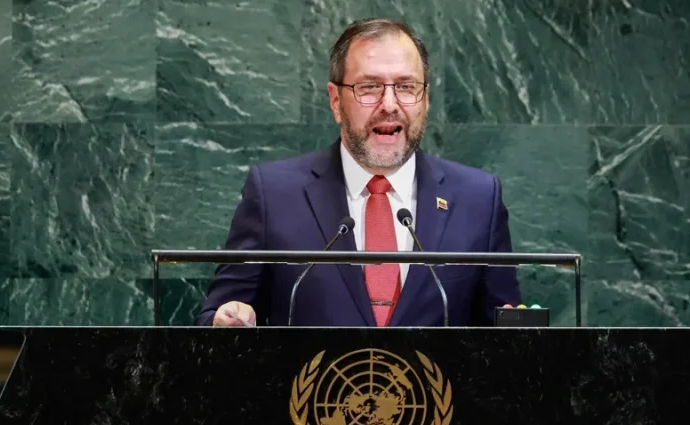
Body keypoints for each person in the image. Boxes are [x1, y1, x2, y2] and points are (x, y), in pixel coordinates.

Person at [195, 18, 521, 328]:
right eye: (369, 87)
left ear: (426, 99)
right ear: (336, 101)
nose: (390, 104)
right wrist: (226, 320)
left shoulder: (479, 198)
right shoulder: (274, 195)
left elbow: (502, 330)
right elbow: (219, 314)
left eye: (406, 87)